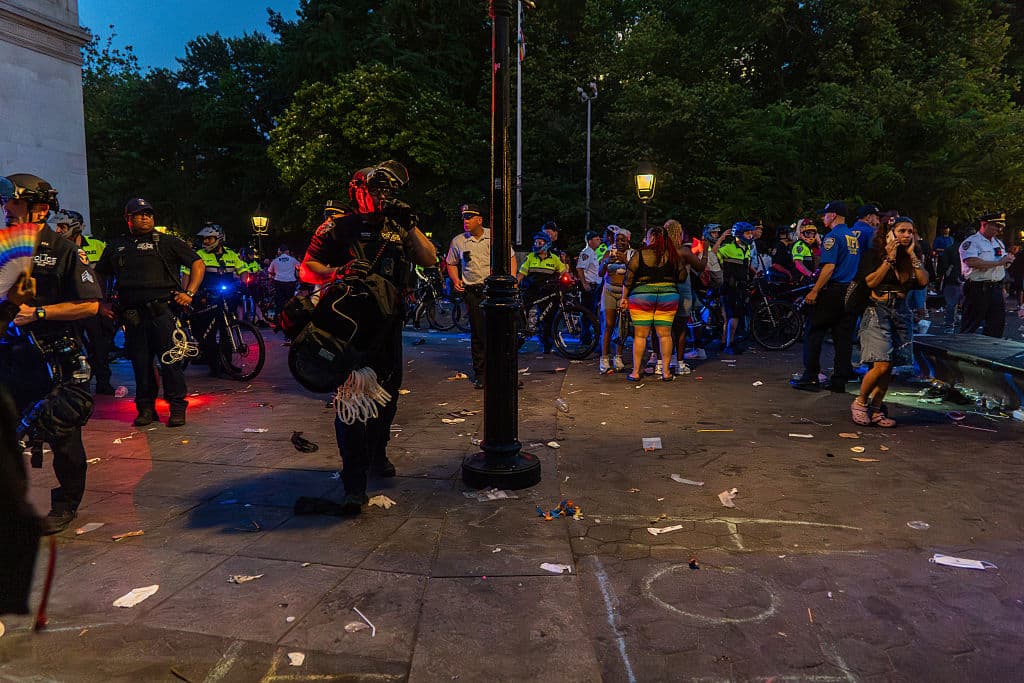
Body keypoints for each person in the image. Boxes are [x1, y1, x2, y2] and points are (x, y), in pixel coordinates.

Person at [299, 160, 436, 515]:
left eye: (388, 190)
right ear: (357, 191)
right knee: (352, 402)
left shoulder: (397, 226)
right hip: (347, 328)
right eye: (377, 189)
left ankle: (378, 452)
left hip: (387, 326)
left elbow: (430, 258)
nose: (383, 196)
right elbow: (307, 268)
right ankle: (354, 482)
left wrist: (411, 225)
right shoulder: (336, 227)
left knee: (386, 398)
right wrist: (338, 271)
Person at [1, 173, 102, 534]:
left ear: (40, 208)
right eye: (5, 204)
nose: (7, 210)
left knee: (63, 434)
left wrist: (40, 313)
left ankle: (65, 503)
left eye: (14, 203)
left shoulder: (64, 251)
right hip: (10, 355)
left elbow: (90, 306)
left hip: (54, 357)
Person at [95, 198, 205, 428]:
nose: (145, 217)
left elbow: (197, 263)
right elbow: (100, 274)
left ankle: (176, 408)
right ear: (128, 218)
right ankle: (145, 409)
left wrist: (190, 293)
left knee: (171, 362)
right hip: (132, 315)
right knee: (141, 363)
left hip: (163, 312)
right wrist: (102, 302)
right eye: (139, 214)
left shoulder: (166, 242)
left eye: (148, 213)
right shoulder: (116, 246)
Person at [851, 217, 928, 427]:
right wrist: (889, 258)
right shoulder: (874, 254)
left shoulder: (912, 256)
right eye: (902, 231)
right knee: (881, 364)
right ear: (890, 232)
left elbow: (923, 281)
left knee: (890, 366)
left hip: (901, 312)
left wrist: (911, 254)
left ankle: (876, 408)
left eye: (910, 232)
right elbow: (871, 282)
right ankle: (859, 403)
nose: (906, 235)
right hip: (877, 310)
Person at [791, 201, 861, 392]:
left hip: (832, 291)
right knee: (843, 337)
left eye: (825, 214)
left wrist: (814, 291)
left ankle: (811, 376)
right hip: (849, 291)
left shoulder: (833, 237)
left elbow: (829, 267)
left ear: (834, 215)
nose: (823, 218)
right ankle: (840, 380)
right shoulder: (852, 236)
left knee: (814, 332)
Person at [446, 203, 516, 389]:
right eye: (464, 218)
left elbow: (510, 258)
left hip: (495, 291)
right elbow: (450, 263)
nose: (466, 221)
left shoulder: (493, 237)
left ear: (479, 219)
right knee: (479, 334)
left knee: (502, 333)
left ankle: (506, 373)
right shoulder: (459, 241)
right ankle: (481, 374)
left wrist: (513, 281)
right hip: (473, 293)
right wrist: (455, 280)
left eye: (469, 217)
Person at [51, 209, 116, 394]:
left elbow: (109, 273)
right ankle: (74, 385)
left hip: (95, 306)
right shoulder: (57, 249)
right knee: (72, 346)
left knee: (100, 346)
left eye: (62, 226)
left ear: (75, 227)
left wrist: (109, 300)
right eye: (57, 226)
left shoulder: (97, 245)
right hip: (70, 306)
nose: (58, 231)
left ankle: (103, 381)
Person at [620, 225, 688, 381]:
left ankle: (636, 372)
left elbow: (629, 277)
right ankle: (666, 372)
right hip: (668, 296)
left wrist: (624, 298)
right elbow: (682, 276)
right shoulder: (672, 254)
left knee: (640, 336)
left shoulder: (640, 254)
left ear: (650, 237)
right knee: (665, 335)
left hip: (642, 296)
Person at [191, 223, 247, 375]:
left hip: (227, 299)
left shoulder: (231, 254)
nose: (206, 242)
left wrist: (242, 283)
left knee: (227, 331)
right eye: (204, 239)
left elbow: (243, 270)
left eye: (209, 239)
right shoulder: (199, 255)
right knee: (208, 333)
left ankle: (227, 364)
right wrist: (190, 294)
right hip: (206, 298)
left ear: (219, 239)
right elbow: (187, 274)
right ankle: (214, 364)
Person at [958, 212, 1013, 338]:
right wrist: (998, 262)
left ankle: (989, 352)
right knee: (971, 325)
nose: (999, 229)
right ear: (984, 224)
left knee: (996, 325)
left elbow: (1001, 261)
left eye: (1000, 226)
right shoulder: (972, 242)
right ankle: (964, 352)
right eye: (995, 226)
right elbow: (972, 261)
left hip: (996, 287)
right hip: (978, 288)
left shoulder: (998, 243)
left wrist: (1007, 261)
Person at [665, 219, 707, 373]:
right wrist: (706, 251)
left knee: (666, 329)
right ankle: (680, 362)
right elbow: (701, 266)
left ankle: (665, 361)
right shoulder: (683, 250)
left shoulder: (662, 251)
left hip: (666, 290)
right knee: (681, 328)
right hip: (683, 290)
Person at [517, 231, 568, 353]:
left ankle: (547, 345)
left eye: (539, 242)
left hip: (547, 292)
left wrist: (568, 280)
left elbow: (563, 271)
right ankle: (521, 336)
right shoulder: (530, 257)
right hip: (532, 290)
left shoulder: (554, 259)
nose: (536, 244)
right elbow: (522, 273)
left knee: (548, 319)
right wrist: (515, 284)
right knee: (521, 313)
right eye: (535, 242)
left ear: (546, 244)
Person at [597, 228, 634, 373]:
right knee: (609, 325)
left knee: (622, 326)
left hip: (625, 293)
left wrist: (626, 261)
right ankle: (604, 358)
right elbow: (600, 273)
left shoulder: (633, 254)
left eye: (622, 240)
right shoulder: (609, 252)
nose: (619, 242)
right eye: (617, 239)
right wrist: (606, 262)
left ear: (628, 240)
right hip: (609, 291)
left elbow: (635, 272)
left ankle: (618, 356)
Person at [716, 222, 756, 354]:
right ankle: (729, 344)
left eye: (751, 233)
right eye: (747, 233)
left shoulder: (747, 248)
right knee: (733, 315)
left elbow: (746, 265)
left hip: (741, 286)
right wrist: (721, 238)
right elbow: (714, 256)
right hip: (731, 287)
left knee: (732, 316)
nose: (750, 236)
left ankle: (724, 343)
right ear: (739, 234)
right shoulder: (728, 248)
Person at [268, 244, 301, 324]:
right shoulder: (293, 260)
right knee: (290, 301)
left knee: (279, 302)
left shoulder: (275, 260)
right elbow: (300, 267)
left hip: (279, 282)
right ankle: (291, 319)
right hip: (290, 282)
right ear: (287, 251)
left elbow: (270, 271)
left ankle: (278, 321)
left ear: (280, 252)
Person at [576, 230, 603, 324]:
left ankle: (590, 335)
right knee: (587, 312)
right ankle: (585, 336)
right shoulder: (586, 252)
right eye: (597, 239)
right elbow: (579, 268)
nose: (599, 241)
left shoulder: (593, 252)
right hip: (588, 286)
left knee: (591, 311)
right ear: (590, 241)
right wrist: (584, 283)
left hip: (594, 285)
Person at [938, 234, 963, 332]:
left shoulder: (950, 249)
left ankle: (949, 326)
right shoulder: (970, 248)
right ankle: (966, 326)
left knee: (951, 304)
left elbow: (943, 265)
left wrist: (944, 274)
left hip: (952, 278)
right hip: (968, 278)